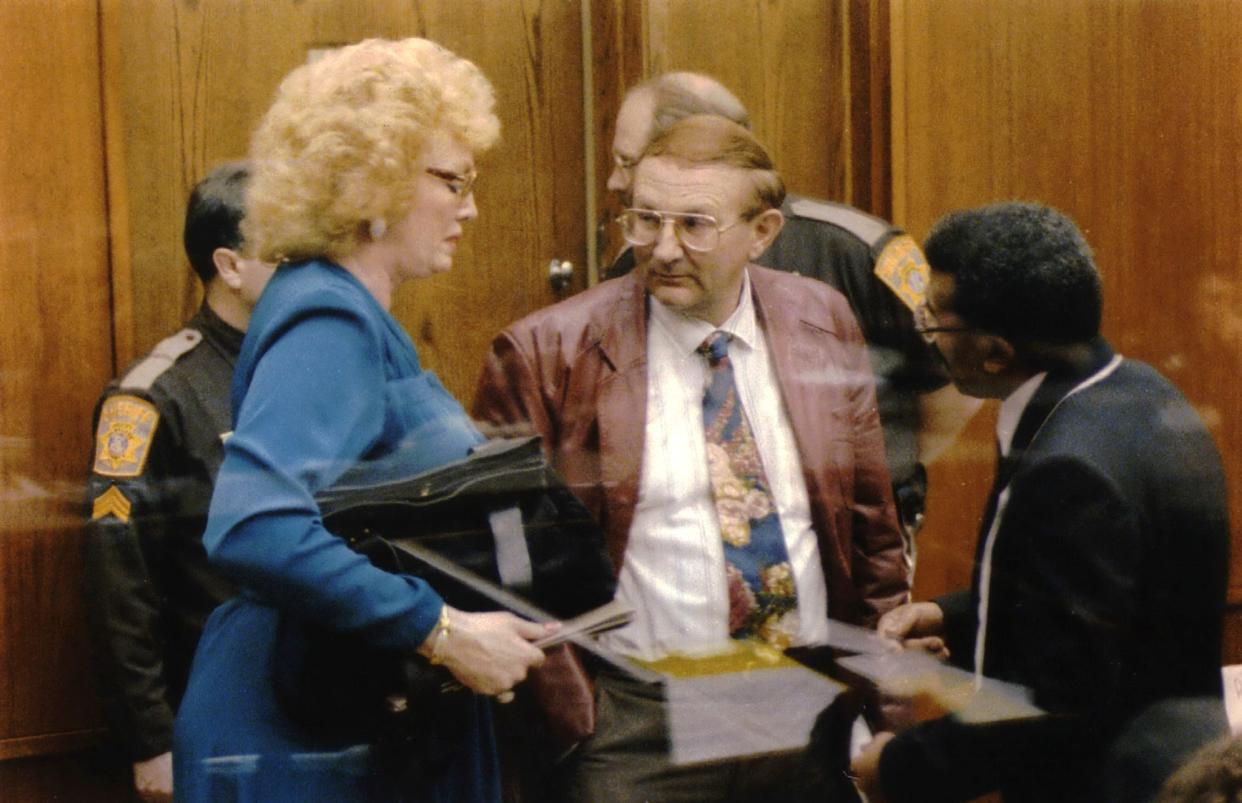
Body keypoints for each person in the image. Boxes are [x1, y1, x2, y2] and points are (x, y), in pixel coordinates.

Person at [474, 114, 908, 801]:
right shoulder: (545, 353)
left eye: (694, 225)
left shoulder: (823, 320)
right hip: (636, 722)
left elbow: (872, 533)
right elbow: (502, 564)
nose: (663, 248)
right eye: (645, 220)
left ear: (762, 233)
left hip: (802, 706)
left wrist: (888, 716)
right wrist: (576, 724)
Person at [171, 38, 553, 802]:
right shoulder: (327, 317)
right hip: (307, 732)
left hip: (343, 713)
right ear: (372, 181)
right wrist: (443, 630)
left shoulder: (344, 308)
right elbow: (253, 528)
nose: (471, 207)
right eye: (454, 180)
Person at [849, 202, 1229, 802]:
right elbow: (1106, 607)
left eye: (936, 323)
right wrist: (954, 612)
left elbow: (1051, 706)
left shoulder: (1067, 470)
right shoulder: (1143, 393)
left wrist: (898, 768)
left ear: (996, 353)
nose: (928, 338)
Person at [603, 72, 980, 571]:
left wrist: (856, 482)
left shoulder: (861, 249)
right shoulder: (636, 267)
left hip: (851, 542)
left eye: (626, 163)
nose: (614, 182)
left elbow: (952, 388)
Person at [82, 161, 271, 802]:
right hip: (217, 713)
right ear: (231, 266)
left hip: (329, 699)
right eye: (291, 251)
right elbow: (119, 582)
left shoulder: (310, 370)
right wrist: (151, 739)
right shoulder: (153, 396)